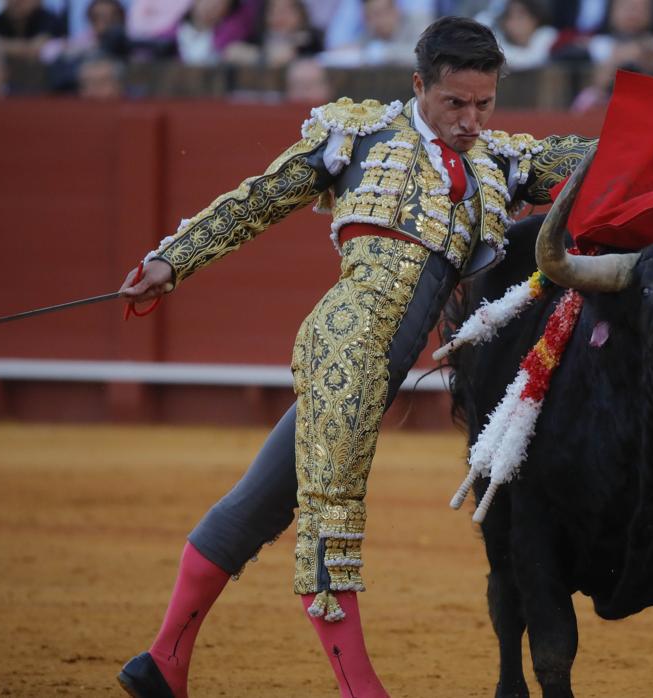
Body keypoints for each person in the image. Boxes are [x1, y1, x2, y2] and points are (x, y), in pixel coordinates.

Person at [114, 16, 596, 698]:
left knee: (260, 503)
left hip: (384, 366)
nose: (469, 120)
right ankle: (360, 690)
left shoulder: (499, 162)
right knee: (331, 518)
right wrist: (173, 260)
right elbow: (260, 199)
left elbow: (595, 162)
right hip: (345, 344)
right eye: (454, 103)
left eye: (483, 104)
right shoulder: (358, 134)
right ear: (419, 85)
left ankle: (162, 661)